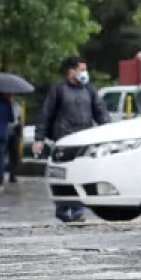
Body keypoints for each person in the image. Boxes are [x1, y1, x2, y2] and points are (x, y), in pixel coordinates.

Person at [36, 56, 110, 222]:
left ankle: (77, 212)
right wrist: (39, 139)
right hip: (64, 141)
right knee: (64, 176)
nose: (85, 73)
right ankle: (62, 209)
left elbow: (101, 111)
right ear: (71, 72)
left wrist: (108, 129)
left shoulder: (89, 90)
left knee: (80, 175)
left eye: (85, 69)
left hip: (84, 141)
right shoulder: (58, 90)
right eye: (81, 69)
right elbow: (45, 114)